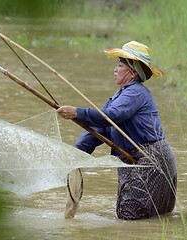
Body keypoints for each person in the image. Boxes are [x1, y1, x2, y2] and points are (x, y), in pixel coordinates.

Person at [57, 41, 177, 220]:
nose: (115, 69)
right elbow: (100, 128)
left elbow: (111, 116)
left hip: (152, 161)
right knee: (132, 216)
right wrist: (77, 154)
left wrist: (77, 112)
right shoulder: (119, 96)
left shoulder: (136, 93)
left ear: (133, 72)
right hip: (134, 160)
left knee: (131, 216)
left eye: (120, 65)